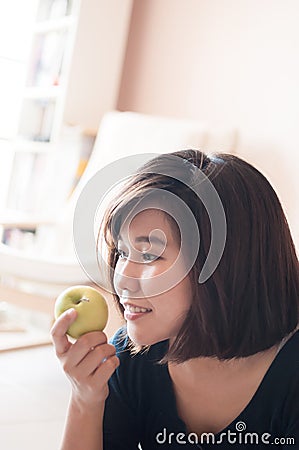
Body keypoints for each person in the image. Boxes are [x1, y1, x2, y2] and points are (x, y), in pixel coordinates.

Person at [51, 149, 299, 449]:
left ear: (223, 265)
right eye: (122, 252)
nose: (121, 279)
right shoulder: (131, 360)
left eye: (150, 254)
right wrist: (85, 398)